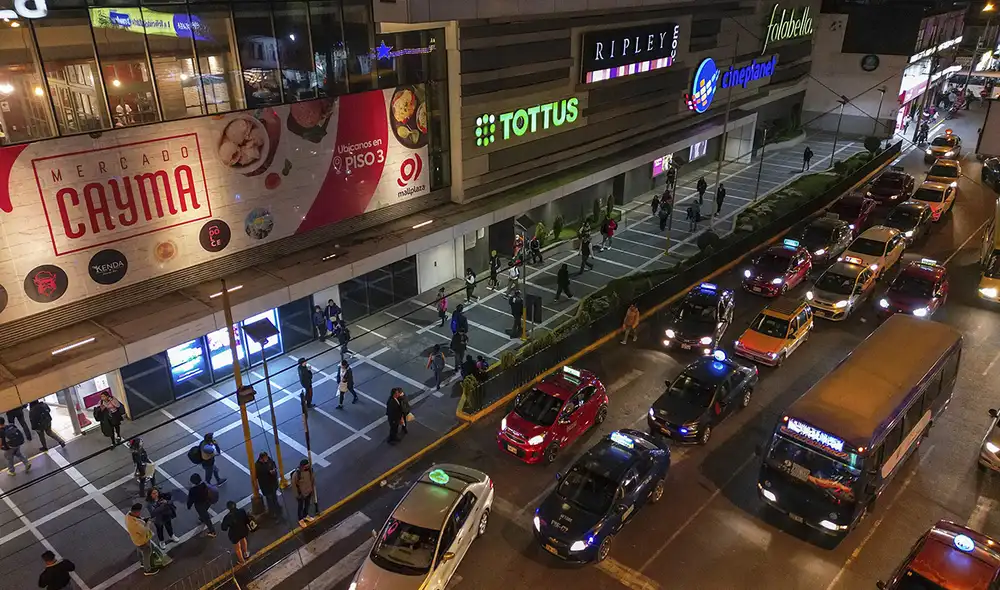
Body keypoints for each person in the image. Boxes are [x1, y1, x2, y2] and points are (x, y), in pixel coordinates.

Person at [126, 503, 159, 576]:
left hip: (136, 540)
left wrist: (144, 519)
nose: (140, 513)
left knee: (140, 551)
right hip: (143, 541)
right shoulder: (134, 524)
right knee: (147, 553)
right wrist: (149, 523)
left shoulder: (128, 515)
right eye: (139, 512)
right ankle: (147, 570)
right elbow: (145, 530)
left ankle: (142, 563)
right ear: (136, 512)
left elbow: (138, 519)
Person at [255, 452, 281, 518]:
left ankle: (277, 508)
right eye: (265, 458)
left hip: (273, 484)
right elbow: (259, 476)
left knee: (274, 497)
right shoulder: (258, 466)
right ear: (262, 458)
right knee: (270, 500)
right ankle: (272, 512)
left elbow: (274, 465)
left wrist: (274, 470)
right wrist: (269, 472)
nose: (267, 458)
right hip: (266, 486)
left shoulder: (269, 460)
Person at [291, 459, 316, 525]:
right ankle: (300, 519)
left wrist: (312, 489)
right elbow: (294, 485)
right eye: (306, 466)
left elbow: (312, 479)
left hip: (308, 491)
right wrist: (297, 495)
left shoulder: (310, 470)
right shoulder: (296, 474)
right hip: (301, 494)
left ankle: (305, 516)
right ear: (302, 466)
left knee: (307, 505)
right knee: (300, 507)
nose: (307, 467)